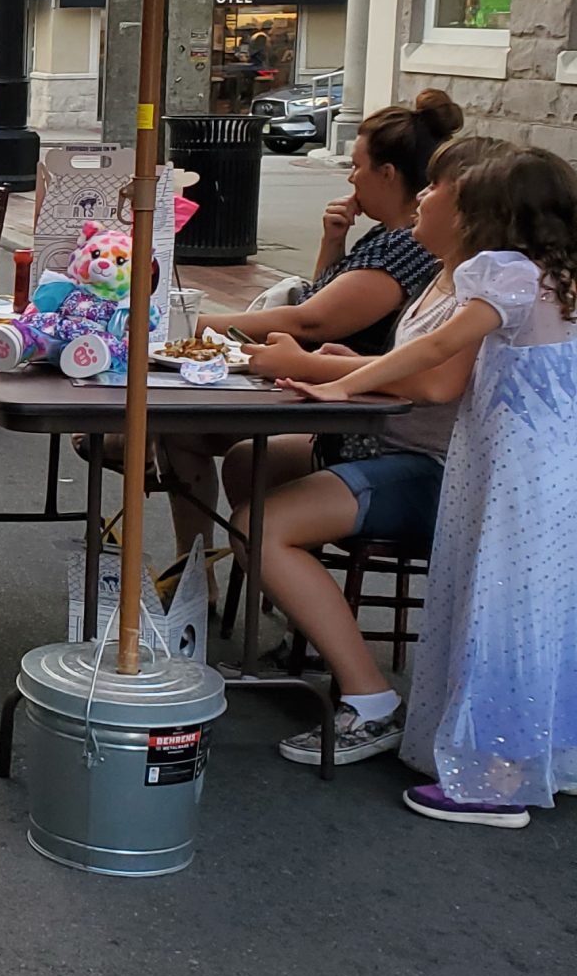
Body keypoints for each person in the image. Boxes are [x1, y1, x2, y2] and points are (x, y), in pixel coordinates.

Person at [283, 143, 577, 823]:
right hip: (556, 471)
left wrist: (346, 383)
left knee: (493, 610)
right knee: (542, 613)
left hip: (509, 468)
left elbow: (438, 349)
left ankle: (491, 781)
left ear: (495, 218)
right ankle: (537, 758)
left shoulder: (502, 273)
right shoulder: (562, 278)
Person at [225, 134, 501, 767]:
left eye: (434, 189)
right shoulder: (443, 273)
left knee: (258, 528)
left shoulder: (478, 286)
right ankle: (312, 626)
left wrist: (319, 370)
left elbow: (438, 382)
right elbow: (412, 363)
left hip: (433, 471)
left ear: (466, 211)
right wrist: (357, 365)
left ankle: (372, 700)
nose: (421, 198)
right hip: (385, 445)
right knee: (247, 462)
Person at [156, 91, 465, 560]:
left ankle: (224, 573)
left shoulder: (409, 250)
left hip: (353, 417)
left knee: (184, 434)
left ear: (387, 174)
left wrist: (191, 322)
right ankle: (224, 576)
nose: (350, 177)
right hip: (330, 394)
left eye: (358, 166)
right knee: (197, 441)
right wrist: (334, 241)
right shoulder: (388, 238)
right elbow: (322, 299)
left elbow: (313, 320)